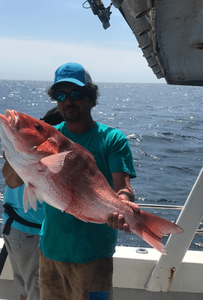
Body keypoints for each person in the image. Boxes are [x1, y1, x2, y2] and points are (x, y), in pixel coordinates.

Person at [38, 62, 139, 300]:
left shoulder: (112, 139)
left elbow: (123, 188)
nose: (68, 101)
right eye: (61, 95)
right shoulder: (49, 135)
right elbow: (12, 182)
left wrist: (123, 208)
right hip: (50, 251)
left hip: (94, 256)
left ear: (91, 97)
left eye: (76, 94)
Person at [1, 106, 64, 300]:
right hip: (28, 232)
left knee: (27, 290)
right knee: (36, 291)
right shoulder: (37, 149)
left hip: (19, 229)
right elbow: (11, 180)